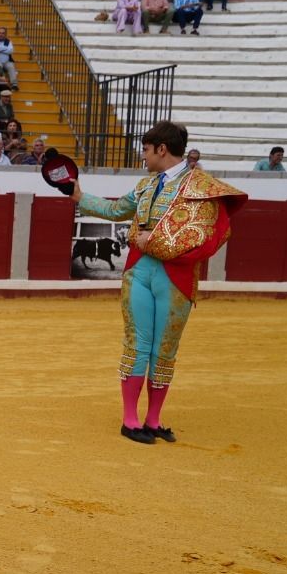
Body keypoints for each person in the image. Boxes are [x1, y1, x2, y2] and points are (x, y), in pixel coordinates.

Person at [70, 121, 246, 443]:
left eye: (146, 150)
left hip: (176, 275)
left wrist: (151, 240)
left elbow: (204, 235)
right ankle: (130, 420)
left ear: (161, 149)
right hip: (139, 273)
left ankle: (153, 419)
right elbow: (116, 209)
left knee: (164, 349)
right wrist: (81, 197)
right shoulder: (145, 186)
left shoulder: (202, 187)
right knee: (137, 344)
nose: (143, 156)